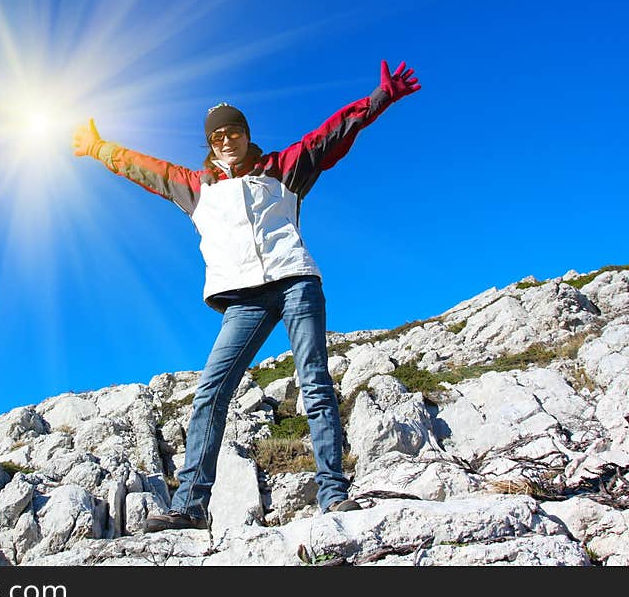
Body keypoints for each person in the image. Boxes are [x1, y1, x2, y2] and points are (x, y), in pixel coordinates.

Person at [72, 60, 420, 532]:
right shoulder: (194, 188)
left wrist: (380, 99)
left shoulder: (283, 167)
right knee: (211, 391)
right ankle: (192, 506)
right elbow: (140, 167)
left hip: (295, 280)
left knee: (314, 379)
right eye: (217, 136)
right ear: (210, 145)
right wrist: (97, 147)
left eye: (233, 132)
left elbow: (333, 132)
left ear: (245, 134)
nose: (226, 141)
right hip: (243, 300)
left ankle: (333, 494)